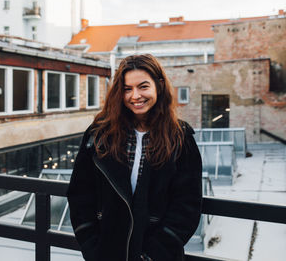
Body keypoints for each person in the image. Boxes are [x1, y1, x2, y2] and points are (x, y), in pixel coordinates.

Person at [67, 54, 202, 261]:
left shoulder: (180, 137)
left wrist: (153, 255)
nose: (135, 96)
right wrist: (93, 248)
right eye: (127, 89)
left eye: (143, 86)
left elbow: (186, 206)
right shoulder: (100, 134)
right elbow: (80, 195)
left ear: (159, 86)